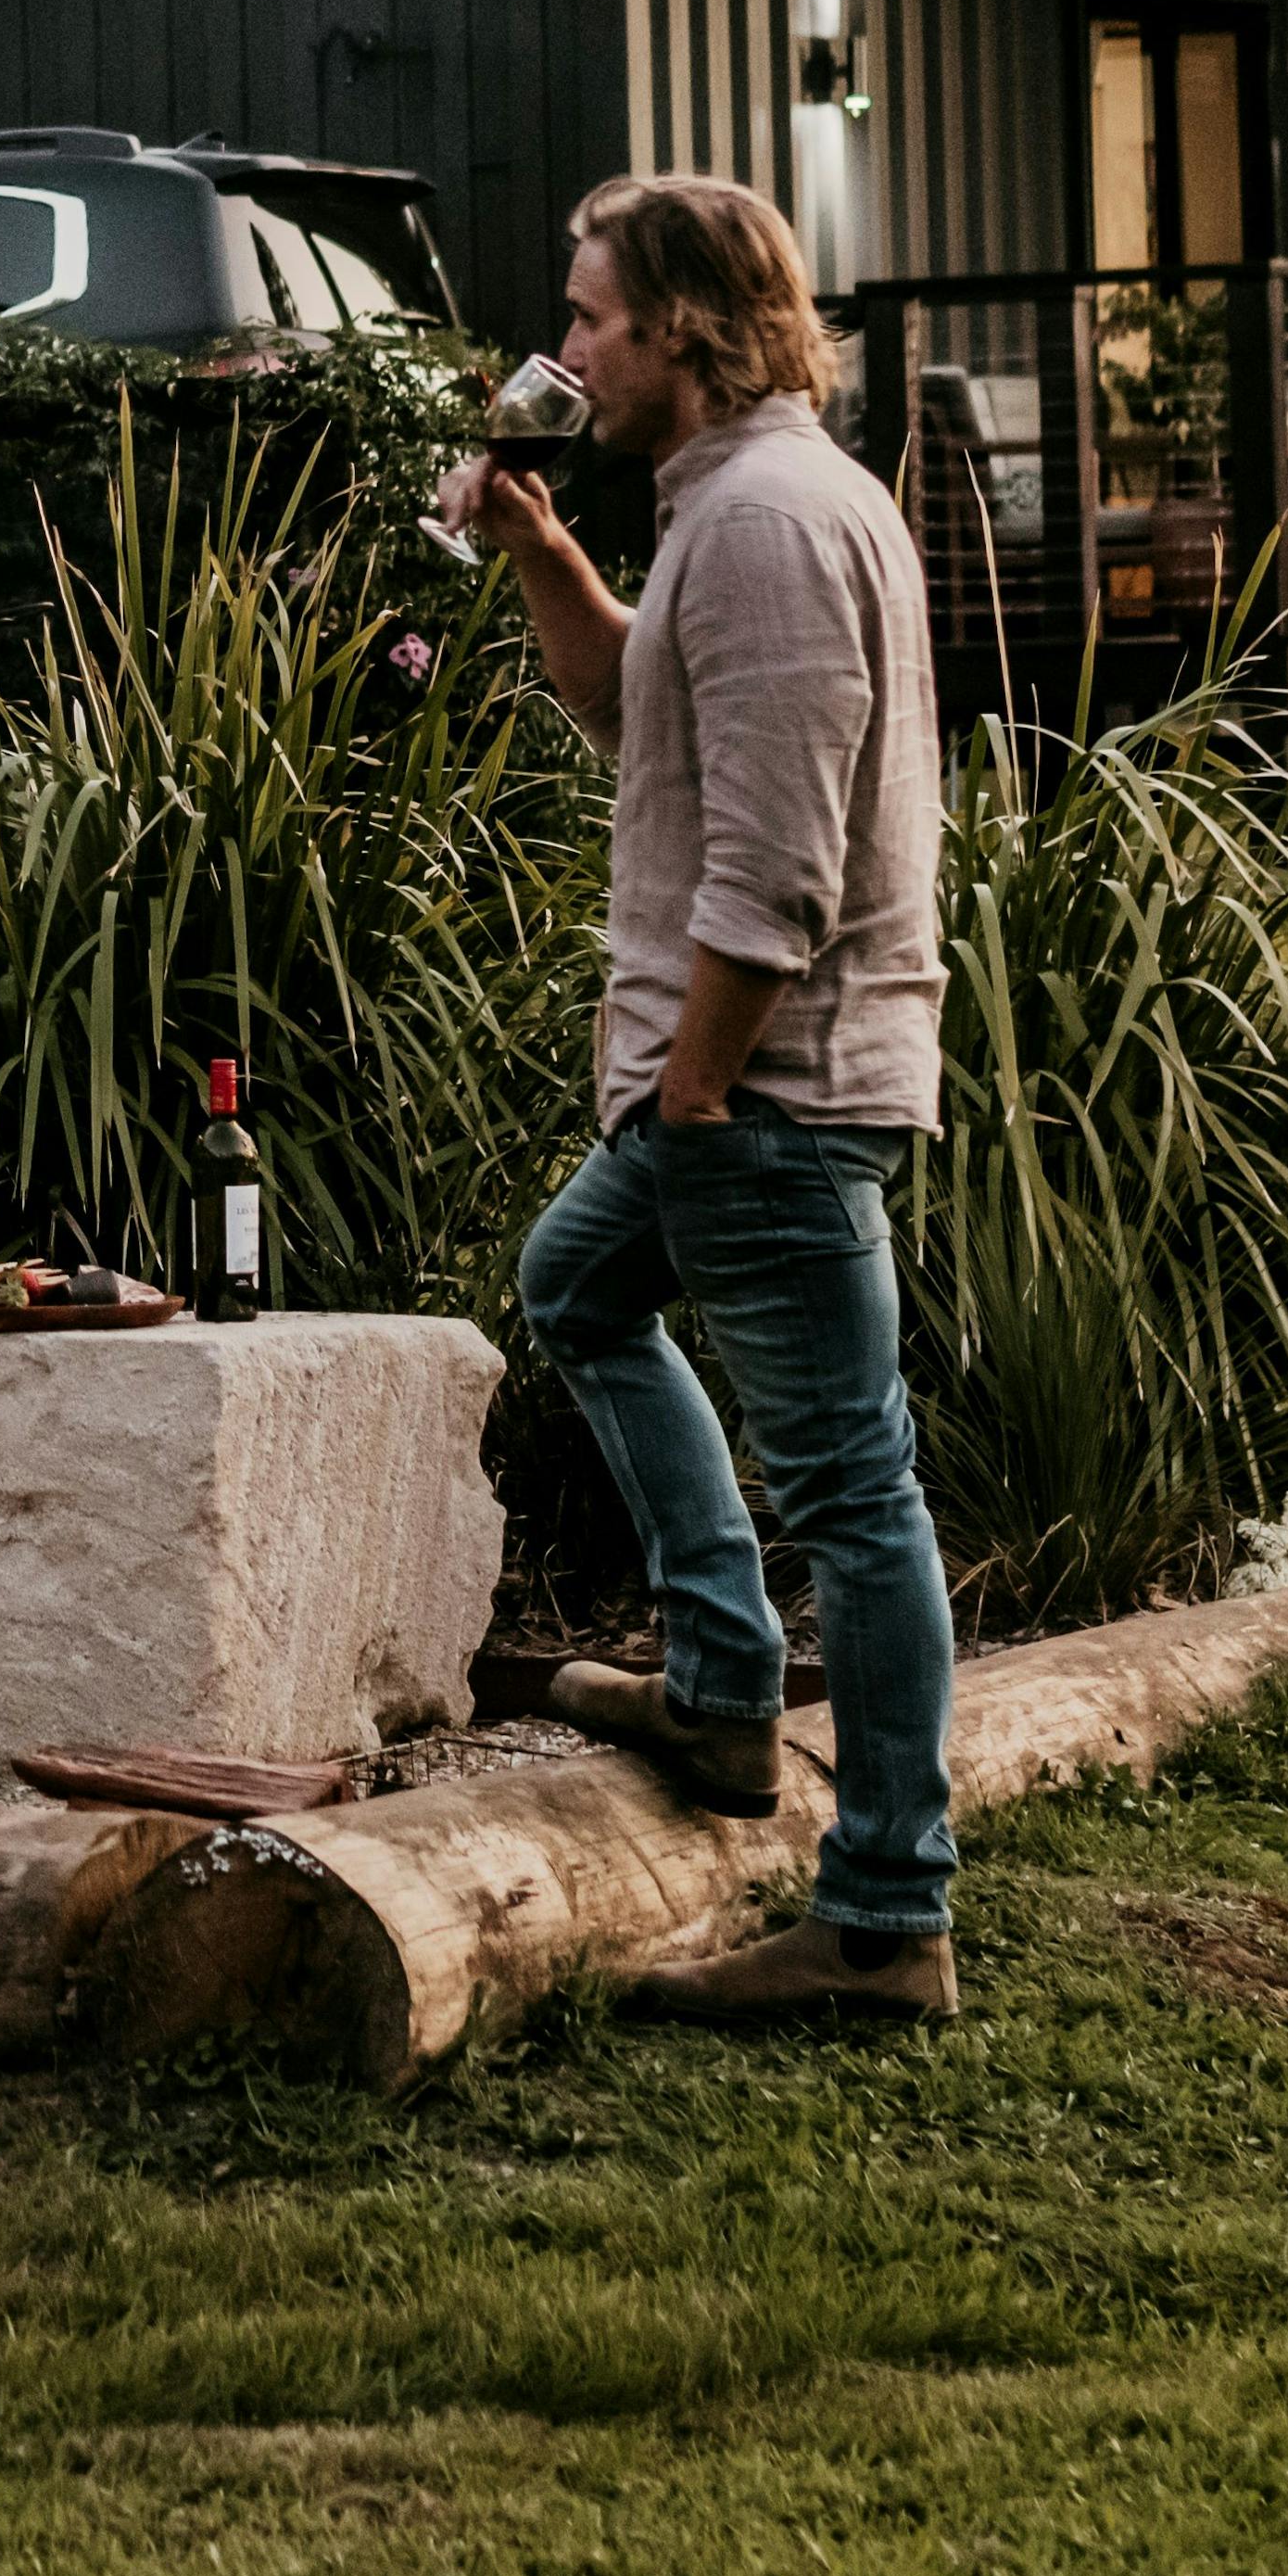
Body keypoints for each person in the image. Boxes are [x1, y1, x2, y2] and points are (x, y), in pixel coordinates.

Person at [441, 170, 965, 2029]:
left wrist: (696, 1083)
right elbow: (632, 717)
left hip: (767, 1097)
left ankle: (888, 1915)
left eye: (588, 316)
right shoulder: (729, 505)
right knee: (574, 1284)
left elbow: (779, 864)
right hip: (735, 1086)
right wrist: (533, 548)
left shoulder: (764, 525)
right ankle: (727, 1684)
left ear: (680, 325)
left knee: (854, 1486)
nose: (564, 350)